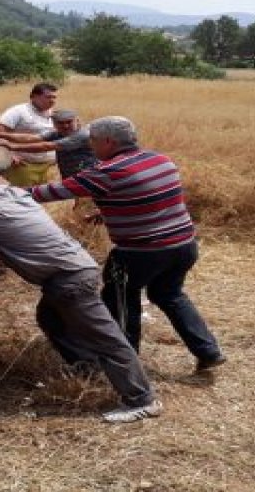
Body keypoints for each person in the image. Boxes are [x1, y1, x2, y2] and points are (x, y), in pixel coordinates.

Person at [0, 164, 160, 423]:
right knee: (49, 319)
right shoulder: (14, 194)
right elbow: (1, 182)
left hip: (69, 280)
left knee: (107, 339)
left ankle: (142, 400)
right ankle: (88, 368)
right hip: (72, 270)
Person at [29, 116, 226, 376]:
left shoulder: (107, 172)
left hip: (140, 253)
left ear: (109, 142)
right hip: (184, 246)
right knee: (169, 294)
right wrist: (108, 212)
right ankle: (208, 351)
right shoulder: (160, 160)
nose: (91, 146)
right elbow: (151, 196)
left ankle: (126, 365)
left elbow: (49, 193)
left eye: (93, 141)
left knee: (121, 302)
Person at [0, 109, 96, 180]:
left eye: (69, 122)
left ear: (77, 121)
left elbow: (46, 146)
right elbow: (32, 138)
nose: (66, 126)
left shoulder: (81, 135)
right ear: (54, 123)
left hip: (90, 176)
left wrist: (12, 146)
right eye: (61, 123)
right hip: (73, 177)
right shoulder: (57, 133)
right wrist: (0, 134)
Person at [0, 82, 59, 187]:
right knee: (20, 198)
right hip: (22, 166)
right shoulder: (18, 111)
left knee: (41, 200)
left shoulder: (53, 114)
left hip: (47, 166)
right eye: (48, 97)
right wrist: (9, 154)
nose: (52, 101)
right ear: (34, 97)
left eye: (54, 97)